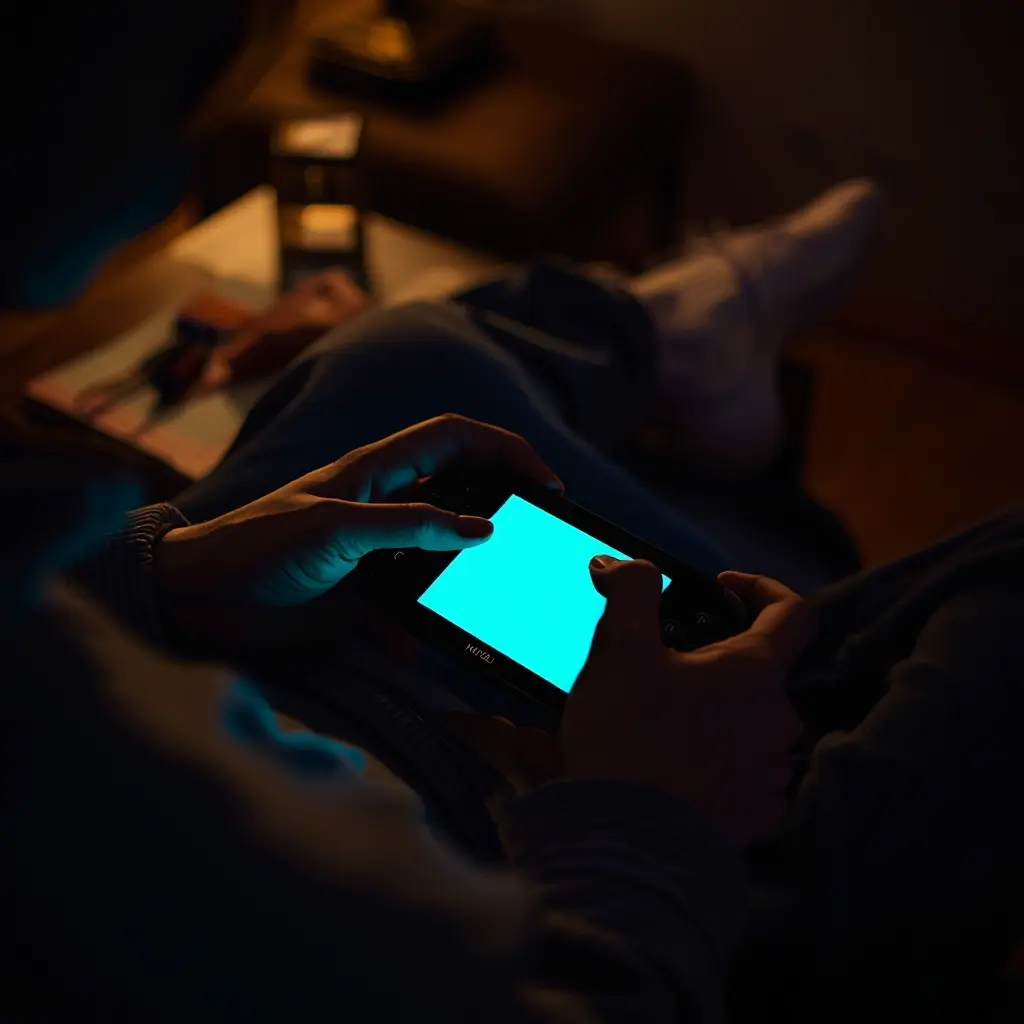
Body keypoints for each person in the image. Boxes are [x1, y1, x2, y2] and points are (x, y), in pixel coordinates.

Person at [2, 3, 1022, 1022]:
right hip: (529, 846)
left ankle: (672, 334)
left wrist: (167, 570)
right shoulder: (80, 780)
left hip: (257, 649)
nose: (208, 99)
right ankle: (688, 352)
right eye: (195, 59)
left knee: (401, 361)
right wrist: (644, 813)